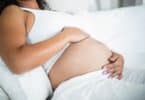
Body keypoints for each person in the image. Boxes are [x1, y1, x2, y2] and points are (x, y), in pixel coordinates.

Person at [0, 0, 125, 99]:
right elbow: (18, 62)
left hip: (112, 75)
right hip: (83, 85)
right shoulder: (13, 12)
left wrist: (114, 56)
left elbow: (83, 37)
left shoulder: (53, 12)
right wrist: (66, 35)